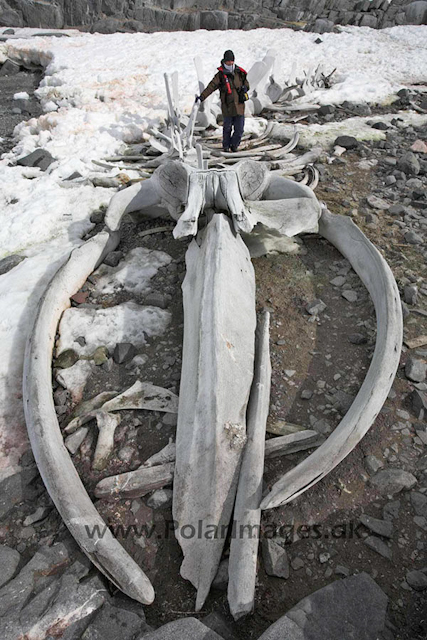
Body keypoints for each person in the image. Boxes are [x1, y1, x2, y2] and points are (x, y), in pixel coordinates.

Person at [196, 50, 249, 153]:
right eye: (228, 61)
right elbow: (211, 87)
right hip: (228, 107)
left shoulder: (240, 72)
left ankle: (234, 146)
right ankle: (225, 147)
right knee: (227, 129)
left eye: (232, 61)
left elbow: (247, 84)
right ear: (224, 61)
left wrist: (245, 88)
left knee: (239, 130)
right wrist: (202, 97)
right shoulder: (220, 75)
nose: (230, 63)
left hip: (239, 106)